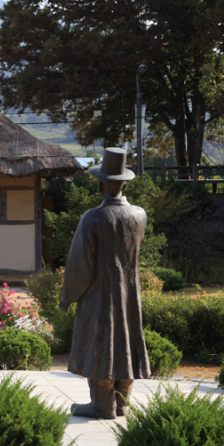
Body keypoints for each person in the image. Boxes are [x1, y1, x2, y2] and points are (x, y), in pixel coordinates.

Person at [61, 147, 150, 420]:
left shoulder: (94, 217)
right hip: (129, 294)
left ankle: (102, 405)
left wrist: (68, 296)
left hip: (99, 295)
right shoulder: (139, 215)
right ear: (124, 183)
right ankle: (121, 403)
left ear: (100, 184)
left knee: (100, 345)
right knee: (126, 343)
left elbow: (80, 265)